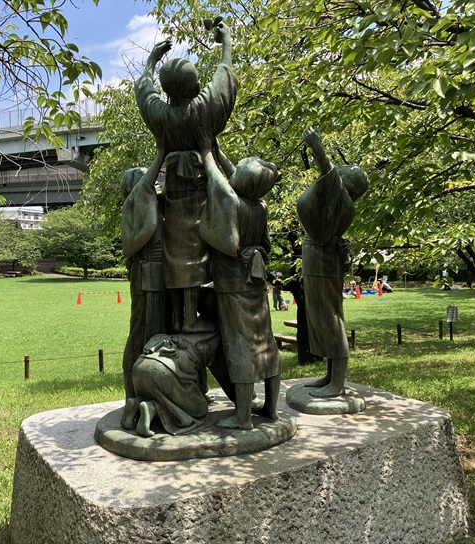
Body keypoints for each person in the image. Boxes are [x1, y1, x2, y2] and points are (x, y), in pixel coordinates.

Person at [134, 20, 238, 334]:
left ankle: (180, 317)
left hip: (174, 194)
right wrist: (226, 42)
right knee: (195, 254)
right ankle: (191, 317)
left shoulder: (161, 117)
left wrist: (152, 60)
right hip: (201, 192)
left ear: (167, 91)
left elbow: (144, 90)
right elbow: (224, 78)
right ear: (195, 87)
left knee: (176, 253)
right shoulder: (203, 110)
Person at [198, 134, 281, 429]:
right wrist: (221, 152)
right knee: (265, 341)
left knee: (240, 345)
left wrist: (207, 154)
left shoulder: (232, 202)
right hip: (256, 282)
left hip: (233, 284)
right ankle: (271, 408)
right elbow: (235, 179)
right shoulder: (260, 206)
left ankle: (243, 417)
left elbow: (219, 182)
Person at [297, 127, 367, 398]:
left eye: (342, 174)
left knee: (331, 319)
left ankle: (337, 382)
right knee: (320, 318)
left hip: (323, 264)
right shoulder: (336, 202)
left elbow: (329, 175)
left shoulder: (343, 201)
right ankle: (330, 375)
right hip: (316, 262)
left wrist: (317, 148)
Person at [120, 146, 168, 399]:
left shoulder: (159, 206)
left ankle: (161, 389)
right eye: (147, 178)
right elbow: (129, 247)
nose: (155, 181)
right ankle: (134, 393)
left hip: (162, 276)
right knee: (141, 334)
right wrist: (150, 220)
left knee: (164, 333)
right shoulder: (133, 206)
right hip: (146, 276)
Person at [121, 333, 222, 437]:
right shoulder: (207, 343)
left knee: (155, 393)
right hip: (162, 371)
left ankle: (136, 403)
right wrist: (201, 397)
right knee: (199, 410)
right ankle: (152, 408)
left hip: (139, 366)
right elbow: (201, 376)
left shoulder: (172, 333)